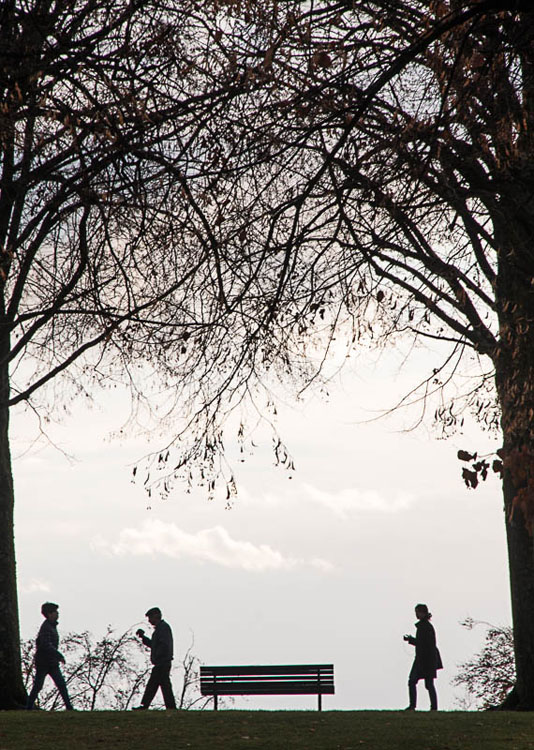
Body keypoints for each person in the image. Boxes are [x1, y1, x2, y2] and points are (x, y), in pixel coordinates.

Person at [26, 602, 73, 710]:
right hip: (44, 663)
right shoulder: (46, 628)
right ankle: (28, 707)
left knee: (60, 684)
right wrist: (58, 655)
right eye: (55, 612)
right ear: (49, 614)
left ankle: (69, 706)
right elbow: (46, 644)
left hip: (51, 662)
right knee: (38, 686)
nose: (57, 614)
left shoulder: (51, 626)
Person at [133, 607, 176, 710]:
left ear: (155, 616)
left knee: (154, 685)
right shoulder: (161, 628)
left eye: (150, 617)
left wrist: (158, 656)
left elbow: (162, 645)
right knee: (162, 685)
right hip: (163, 662)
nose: (149, 620)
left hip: (162, 663)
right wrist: (144, 638)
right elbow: (155, 645)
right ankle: (170, 707)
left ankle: (145, 705)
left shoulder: (163, 628)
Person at [403, 603, 442, 711]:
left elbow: (424, 644)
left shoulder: (425, 627)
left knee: (416, 681)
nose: (416, 614)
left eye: (417, 612)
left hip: (425, 660)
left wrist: (411, 640)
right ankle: (432, 707)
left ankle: (413, 706)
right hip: (426, 659)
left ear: (422, 613)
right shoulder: (425, 626)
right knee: (428, 684)